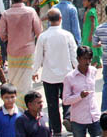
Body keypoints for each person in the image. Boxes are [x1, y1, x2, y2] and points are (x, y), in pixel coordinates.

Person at [33, 8, 79, 137]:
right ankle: (68, 117)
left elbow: (38, 56)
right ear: (60, 19)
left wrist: (34, 70)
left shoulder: (43, 36)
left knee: (52, 104)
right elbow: (73, 54)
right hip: (66, 74)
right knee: (67, 100)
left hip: (49, 76)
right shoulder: (67, 35)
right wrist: (77, 69)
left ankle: (57, 130)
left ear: (48, 20)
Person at [0, 0, 42, 109]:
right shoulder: (30, 11)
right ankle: (26, 108)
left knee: (14, 81)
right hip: (28, 52)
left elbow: (1, 33)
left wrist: (9, 38)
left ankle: (15, 108)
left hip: (12, 52)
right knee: (26, 83)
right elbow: (39, 31)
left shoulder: (6, 14)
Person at [62, 46, 100, 137]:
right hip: (78, 119)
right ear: (78, 59)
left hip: (94, 116)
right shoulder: (69, 77)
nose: (87, 62)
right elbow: (65, 100)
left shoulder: (93, 71)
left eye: (89, 59)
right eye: (85, 59)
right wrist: (80, 96)